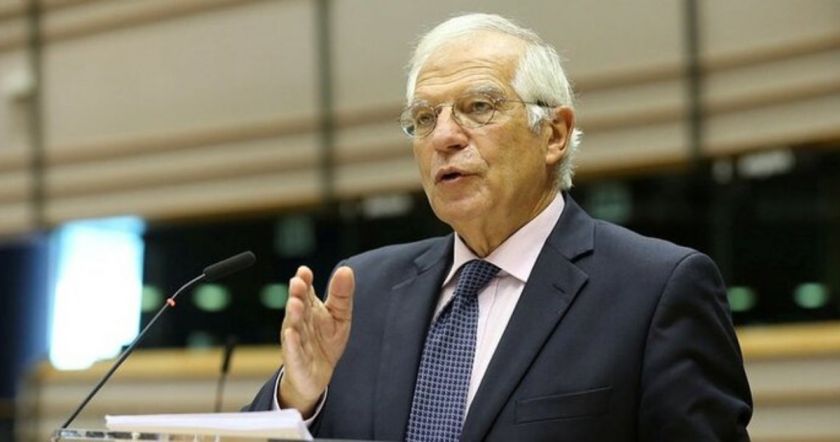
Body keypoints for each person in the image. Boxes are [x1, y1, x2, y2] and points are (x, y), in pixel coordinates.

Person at [246, 13, 752, 441]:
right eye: (424, 119)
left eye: (479, 107)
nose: (444, 137)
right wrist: (299, 396)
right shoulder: (363, 290)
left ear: (554, 134)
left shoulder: (655, 289)